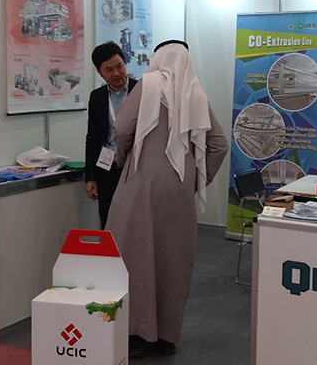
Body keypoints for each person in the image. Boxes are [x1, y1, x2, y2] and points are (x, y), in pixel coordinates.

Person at [106, 40, 229, 357]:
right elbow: (219, 144)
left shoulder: (147, 85)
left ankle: (138, 333)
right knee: (174, 260)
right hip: (179, 191)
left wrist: (123, 159)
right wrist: (197, 180)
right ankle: (166, 337)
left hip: (141, 184)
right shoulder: (195, 93)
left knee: (134, 255)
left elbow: (122, 129)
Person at [85, 41, 138, 230]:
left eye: (119, 66)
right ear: (99, 72)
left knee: (134, 223)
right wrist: (90, 177)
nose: (116, 73)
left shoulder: (141, 91)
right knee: (108, 221)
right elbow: (93, 138)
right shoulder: (97, 97)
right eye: (109, 70)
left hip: (135, 169)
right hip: (107, 169)